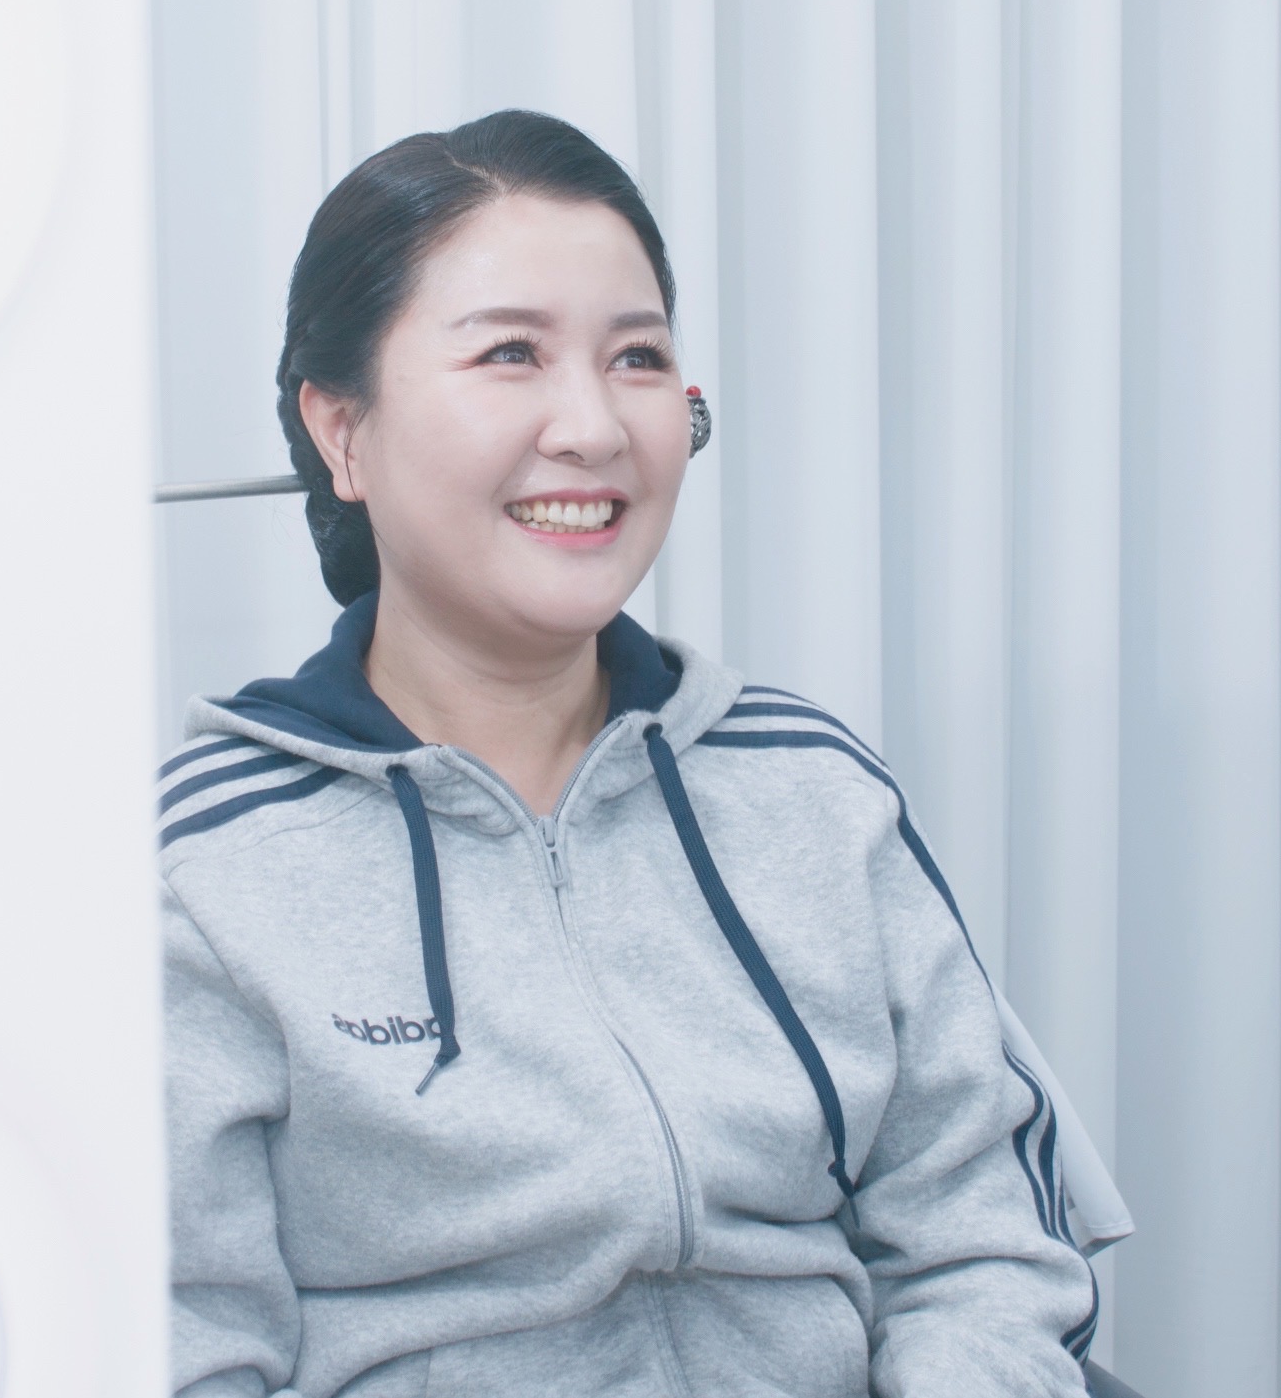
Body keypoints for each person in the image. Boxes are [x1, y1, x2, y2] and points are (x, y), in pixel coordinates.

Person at [160, 109, 1113, 1397]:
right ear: (341, 431)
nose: (595, 427)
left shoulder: (808, 791)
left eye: (638, 358)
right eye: (510, 353)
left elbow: (986, 1250)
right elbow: (179, 1349)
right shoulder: (205, 873)